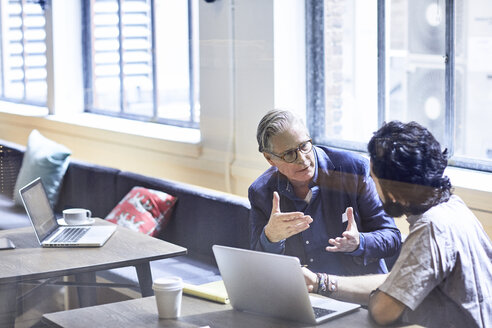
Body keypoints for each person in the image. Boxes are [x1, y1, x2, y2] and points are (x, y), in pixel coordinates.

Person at [303, 121, 492, 328]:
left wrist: (380, 297)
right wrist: (320, 282)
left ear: (393, 191)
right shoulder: (453, 208)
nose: (374, 189)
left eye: (374, 180)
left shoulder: (430, 228)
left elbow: (383, 310)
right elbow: (397, 282)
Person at [249, 109, 402, 276]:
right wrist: (270, 237)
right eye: (289, 154)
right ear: (270, 159)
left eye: (304, 146)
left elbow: (392, 238)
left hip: (356, 290)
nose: (302, 158)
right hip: (304, 293)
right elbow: (258, 266)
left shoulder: (354, 170)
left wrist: (360, 243)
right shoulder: (261, 192)